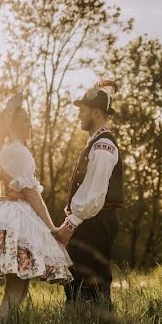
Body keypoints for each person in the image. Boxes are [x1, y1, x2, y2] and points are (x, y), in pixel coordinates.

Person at [0, 92, 72, 321]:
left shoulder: (13, 149)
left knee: (20, 284)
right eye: (26, 119)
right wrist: (52, 228)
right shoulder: (16, 151)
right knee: (16, 286)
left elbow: (22, 187)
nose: (30, 123)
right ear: (13, 123)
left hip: (14, 215)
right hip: (18, 219)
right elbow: (30, 192)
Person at [53, 79, 123, 308]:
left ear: (96, 112)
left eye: (82, 110)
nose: (78, 115)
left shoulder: (104, 146)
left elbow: (93, 195)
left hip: (96, 221)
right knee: (80, 276)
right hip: (91, 219)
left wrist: (69, 225)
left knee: (90, 278)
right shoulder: (95, 143)